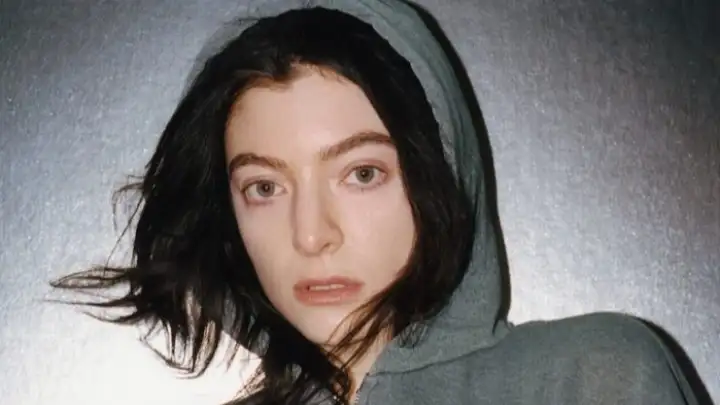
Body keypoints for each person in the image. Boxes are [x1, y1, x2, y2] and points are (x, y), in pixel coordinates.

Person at [52, 1, 700, 404]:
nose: (311, 235)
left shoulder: (593, 379)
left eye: (361, 173)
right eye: (265, 187)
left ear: (434, 174)